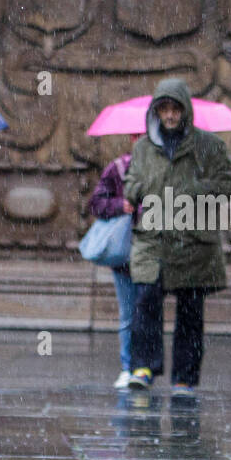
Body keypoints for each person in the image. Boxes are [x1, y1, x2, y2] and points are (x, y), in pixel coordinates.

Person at [123, 78, 231, 397]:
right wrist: (139, 191)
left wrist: (195, 190)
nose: (170, 115)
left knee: (190, 313)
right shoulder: (143, 147)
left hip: (193, 243)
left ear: (185, 110)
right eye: (164, 108)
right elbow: (132, 181)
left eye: (175, 108)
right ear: (156, 111)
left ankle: (184, 378)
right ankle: (143, 367)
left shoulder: (210, 146)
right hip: (154, 239)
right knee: (146, 300)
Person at [88, 136, 143, 389]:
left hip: (154, 251)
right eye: (139, 135)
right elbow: (96, 203)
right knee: (128, 312)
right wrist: (120, 205)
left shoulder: (165, 170)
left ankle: (145, 368)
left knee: (148, 312)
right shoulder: (119, 168)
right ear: (133, 138)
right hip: (125, 253)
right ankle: (128, 366)